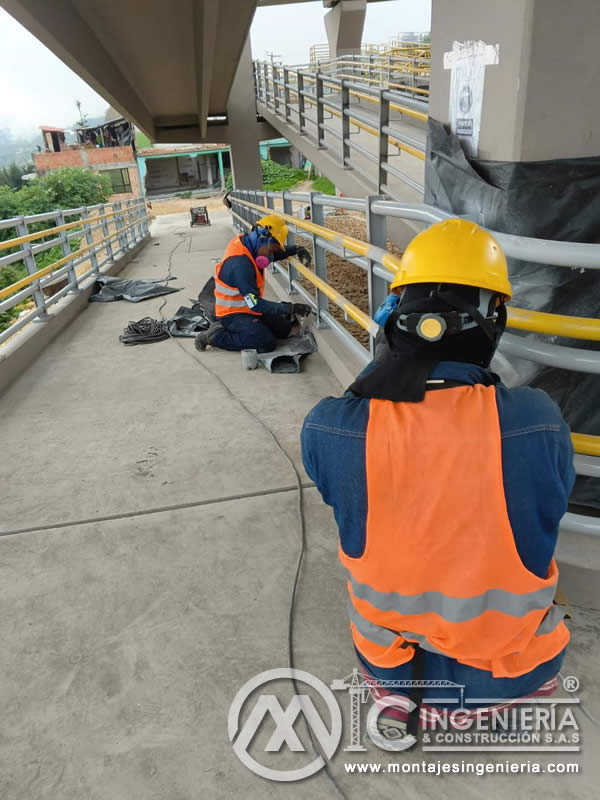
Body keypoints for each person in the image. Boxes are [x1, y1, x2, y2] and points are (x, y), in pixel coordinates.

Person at [301, 219, 574, 746]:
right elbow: (549, 505)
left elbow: (348, 499)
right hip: (510, 674)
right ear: (495, 318)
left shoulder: (329, 426)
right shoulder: (536, 421)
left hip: (393, 673)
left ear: (394, 313)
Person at [195, 215, 313, 352]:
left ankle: (255, 327)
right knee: (265, 342)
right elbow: (255, 304)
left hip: (247, 306)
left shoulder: (251, 243)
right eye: (271, 251)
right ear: (264, 239)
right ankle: (215, 336)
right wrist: (290, 309)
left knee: (284, 329)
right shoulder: (240, 265)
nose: (270, 257)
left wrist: (296, 249)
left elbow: (272, 251)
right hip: (232, 314)